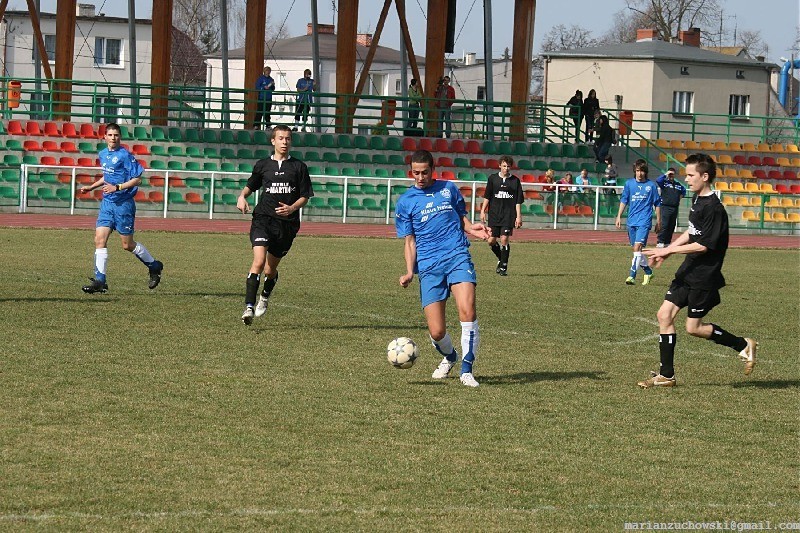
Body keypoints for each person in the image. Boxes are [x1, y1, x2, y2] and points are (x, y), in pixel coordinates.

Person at [639, 153, 757, 388]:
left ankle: (743, 345)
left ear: (704, 177)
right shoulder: (697, 199)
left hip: (705, 276)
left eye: (691, 175)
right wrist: (668, 249)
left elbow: (703, 245)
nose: (686, 179)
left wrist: (669, 250)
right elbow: (692, 232)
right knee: (664, 315)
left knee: (693, 328)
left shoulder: (714, 208)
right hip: (689, 269)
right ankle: (666, 376)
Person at [395, 149, 491, 387]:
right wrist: (410, 271)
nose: (420, 177)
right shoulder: (406, 201)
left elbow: (460, 218)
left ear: (433, 170)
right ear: (411, 172)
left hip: (457, 256)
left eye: (424, 172)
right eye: (416, 173)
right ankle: (450, 357)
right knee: (437, 332)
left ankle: (467, 369)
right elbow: (409, 241)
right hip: (429, 265)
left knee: (467, 310)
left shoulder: (449, 189)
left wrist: (471, 228)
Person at [237, 125, 314, 325]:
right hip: (263, 219)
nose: (284, 142)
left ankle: (264, 297)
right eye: (280, 138)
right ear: (273, 141)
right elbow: (250, 186)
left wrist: (292, 208)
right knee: (258, 262)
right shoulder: (263, 165)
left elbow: (305, 196)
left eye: (288, 138)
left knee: (270, 270)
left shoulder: (299, 167)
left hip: (286, 224)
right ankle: (248, 307)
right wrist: (242, 196)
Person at [79, 123, 163, 294]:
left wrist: (117, 187)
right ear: (105, 137)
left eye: (116, 135)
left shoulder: (125, 155)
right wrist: (91, 187)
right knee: (99, 239)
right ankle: (100, 281)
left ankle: (154, 266)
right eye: (110, 135)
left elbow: (137, 179)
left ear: (120, 137)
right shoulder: (103, 154)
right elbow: (107, 176)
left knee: (127, 245)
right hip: (107, 203)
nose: (113, 138)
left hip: (123, 204)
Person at [615, 159, 661, 285]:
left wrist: (659, 221)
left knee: (637, 247)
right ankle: (648, 272)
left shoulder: (651, 186)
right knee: (637, 251)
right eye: (637, 171)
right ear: (634, 171)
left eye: (642, 171)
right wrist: (619, 216)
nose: (640, 174)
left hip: (644, 221)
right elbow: (624, 200)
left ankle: (632, 275)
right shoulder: (629, 184)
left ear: (645, 172)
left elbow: (657, 204)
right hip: (631, 221)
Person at [480, 155, 523, 276]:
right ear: (499, 166)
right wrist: (483, 211)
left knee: (504, 239)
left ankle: (504, 267)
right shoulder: (493, 179)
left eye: (508, 166)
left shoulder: (515, 181)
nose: (506, 168)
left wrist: (518, 216)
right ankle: (501, 258)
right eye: (504, 166)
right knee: (491, 241)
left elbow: (518, 201)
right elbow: (487, 196)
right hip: (494, 214)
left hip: (508, 215)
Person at [656, 166, 687, 247]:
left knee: (671, 226)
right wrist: (666, 174)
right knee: (664, 225)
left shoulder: (678, 185)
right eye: (670, 174)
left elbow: (684, 191)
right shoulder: (664, 183)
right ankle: (660, 242)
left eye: (672, 174)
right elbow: (658, 180)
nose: (671, 176)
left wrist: (679, 199)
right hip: (665, 207)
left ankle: (667, 242)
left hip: (674, 207)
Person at [254, 66, 275, 130]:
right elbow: (257, 87)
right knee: (259, 111)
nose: (268, 72)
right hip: (262, 97)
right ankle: (256, 125)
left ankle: (268, 125)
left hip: (268, 97)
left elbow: (273, 89)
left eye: (269, 71)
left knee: (267, 112)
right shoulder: (261, 78)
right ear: (264, 71)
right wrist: (263, 87)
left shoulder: (271, 79)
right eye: (266, 71)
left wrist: (272, 85)